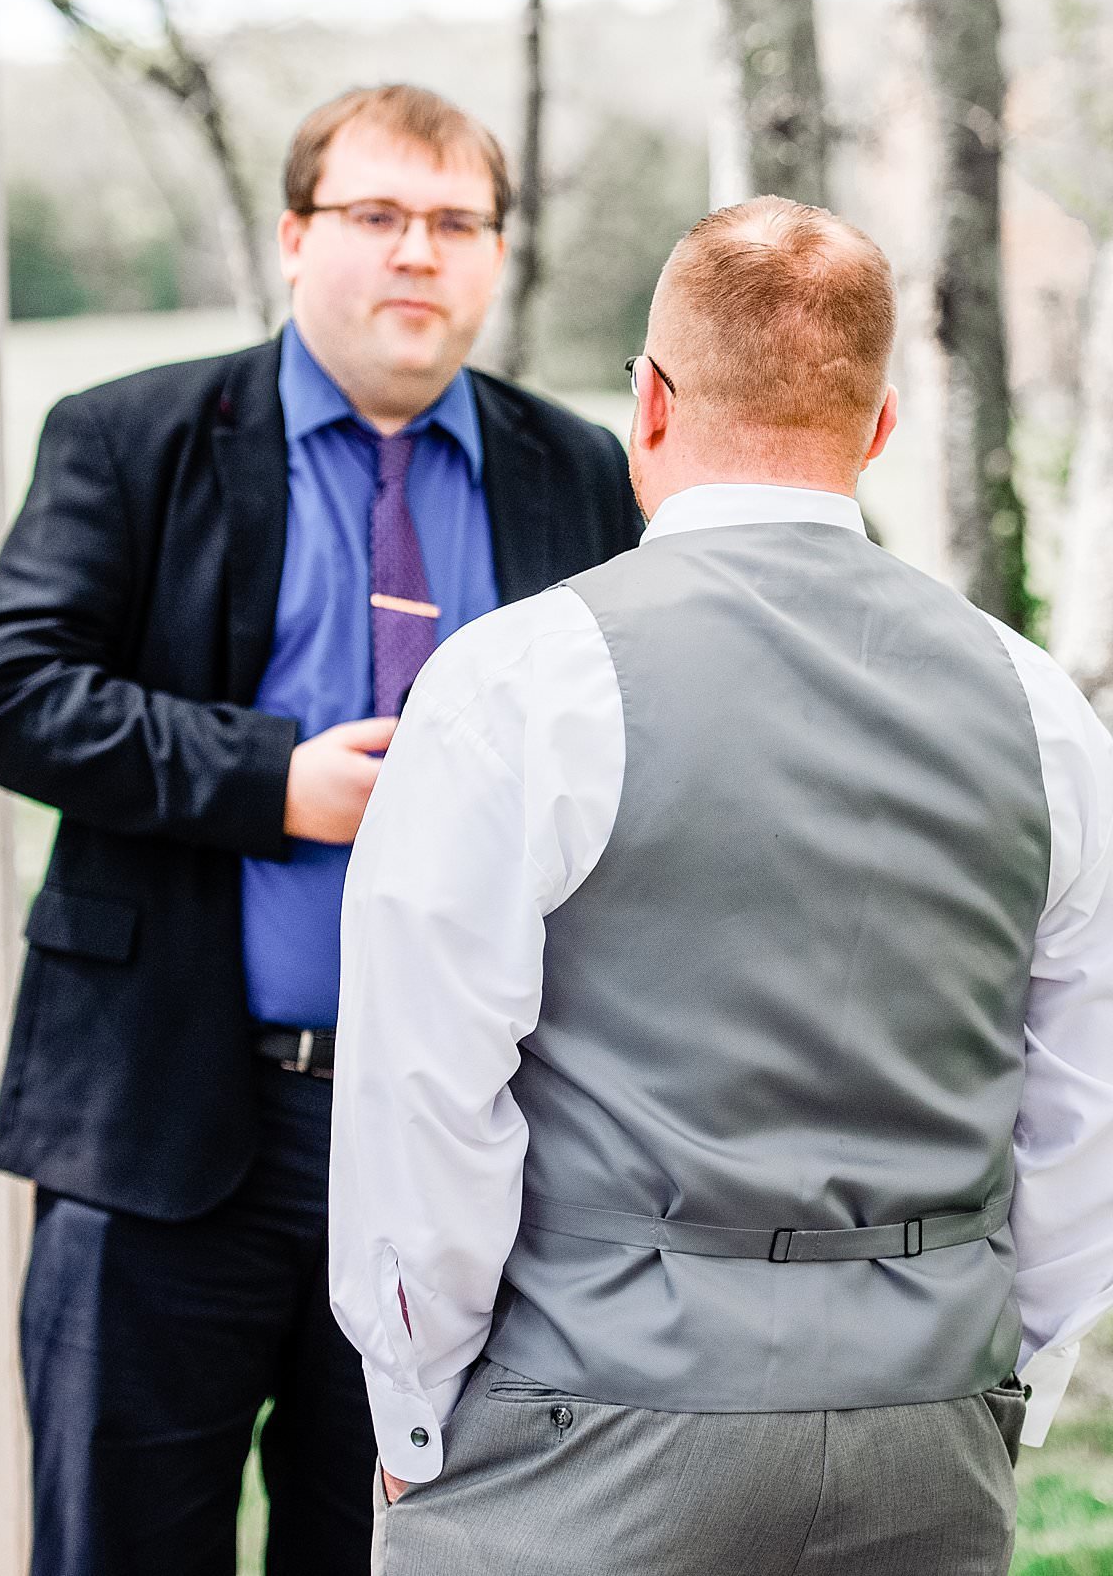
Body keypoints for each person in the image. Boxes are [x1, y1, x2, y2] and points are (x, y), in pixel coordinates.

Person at [329, 196, 1113, 1576]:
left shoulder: (523, 683)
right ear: (877, 426)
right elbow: (1087, 1107)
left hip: (588, 1431)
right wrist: (1007, 1382)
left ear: (648, 401)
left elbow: (425, 1096)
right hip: (927, 1428)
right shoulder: (1036, 704)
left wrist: (416, 1412)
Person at [0, 83, 641, 1576]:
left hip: (449, 1147)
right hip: (166, 1120)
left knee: (384, 1552)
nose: (417, 254)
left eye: (456, 223)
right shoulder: (132, 437)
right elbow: (1, 694)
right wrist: (276, 781)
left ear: (497, 254)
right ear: (294, 236)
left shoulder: (577, 469)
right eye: (376, 215)